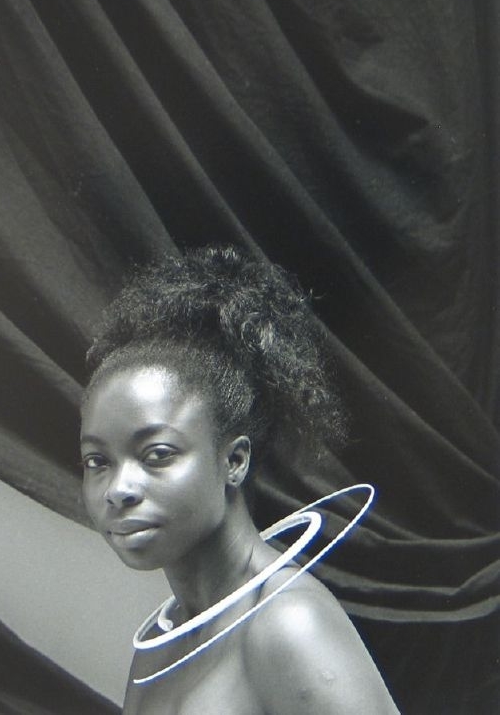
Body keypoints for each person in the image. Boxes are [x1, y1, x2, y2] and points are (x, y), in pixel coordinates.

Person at [79, 246, 399, 713]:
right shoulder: (161, 644)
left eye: (157, 455)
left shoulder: (289, 623)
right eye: (97, 461)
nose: (119, 489)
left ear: (234, 461)